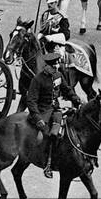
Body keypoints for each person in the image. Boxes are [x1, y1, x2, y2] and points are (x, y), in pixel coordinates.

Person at [25, 48, 80, 178]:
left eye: (57, 64)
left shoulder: (58, 75)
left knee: (63, 132)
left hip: (56, 110)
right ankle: (47, 164)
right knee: (46, 136)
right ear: (47, 66)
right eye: (53, 65)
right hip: (43, 112)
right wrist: (38, 119)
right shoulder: (37, 80)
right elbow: (31, 101)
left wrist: (75, 99)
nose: (56, 66)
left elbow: (66, 90)